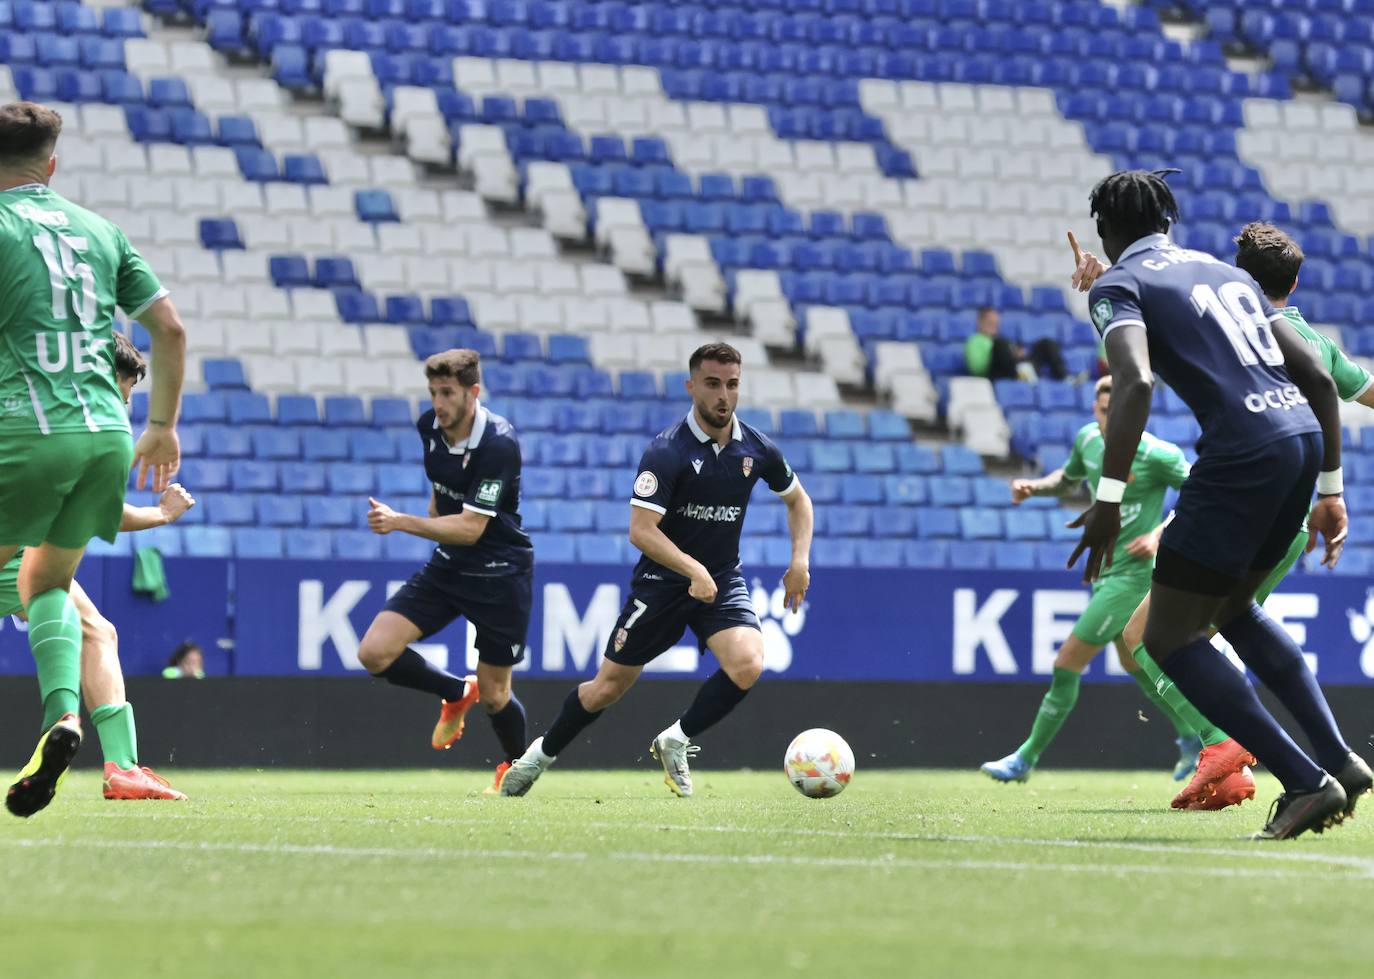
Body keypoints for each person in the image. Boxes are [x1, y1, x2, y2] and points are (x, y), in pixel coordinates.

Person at [1071, 169, 1370, 840]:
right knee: (1234, 608)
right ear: (1168, 221)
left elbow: (1136, 381)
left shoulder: (1121, 283)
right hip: (1298, 438)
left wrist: (1110, 498)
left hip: (1240, 453)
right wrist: (1329, 487)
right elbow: (1318, 375)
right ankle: (1340, 761)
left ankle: (1304, 782)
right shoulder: (1227, 274)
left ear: (1106, 232)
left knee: (1167, 638)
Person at [500, 342, 814, 798]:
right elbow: (641, 530)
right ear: (691, 387)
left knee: (748, 662)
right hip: (662, 584)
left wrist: (799, 561)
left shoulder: (757, 448)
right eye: (712, 384)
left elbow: (798, 500)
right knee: (605, 689)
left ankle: (676, 740)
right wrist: (691, 569)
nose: (723, 395)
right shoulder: (667, 451)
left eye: (731, 384)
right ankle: (537, 758)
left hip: (721, 579)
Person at [1, 103, 186, 818]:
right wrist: (162, 426)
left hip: (24, 428)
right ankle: (67, 720)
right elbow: (168, 327)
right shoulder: (101, 231)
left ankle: (83, 733)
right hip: (106, 434)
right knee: (48, 580)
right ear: (52, 165)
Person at [981, 376, 1210, 785]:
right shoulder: (1088, 440)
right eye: (1106, 409)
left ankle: (1025, 759)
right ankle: (1193, 735)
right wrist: (1035, 487)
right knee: (1133, 661)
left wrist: (1159, 534)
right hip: (1104, 573)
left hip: (1134, 577)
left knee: (1067, 661)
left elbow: (1201, 495)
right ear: (1096, 410)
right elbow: (1067, 479)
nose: (1112, 415)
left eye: (1122, 407)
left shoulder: (1157, 454)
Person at [3, 333, 192, 802]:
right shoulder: (74, 424)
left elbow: (93, 507)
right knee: (91, 629)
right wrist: (161, 514)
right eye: (120, 394)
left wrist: (159, 515)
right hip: (20, 541)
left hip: (23, 539)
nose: (122, 407)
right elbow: (96, 509)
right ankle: (105, 755)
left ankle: (116, 761)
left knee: (98, 632)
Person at [359, 349, 533, 793]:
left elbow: (473, 528)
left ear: (473, 392)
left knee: (497, 694)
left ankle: (515, 768)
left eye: (448, 393)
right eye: (434, 392)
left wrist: (400, 523)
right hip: (449, 567)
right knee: (374, 653)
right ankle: (456, 692)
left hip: (499, 573)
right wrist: (430, 524)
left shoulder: (499, 444)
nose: (439, 403)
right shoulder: (429, 427)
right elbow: (441, 495)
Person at [964, 306, 1068, 382]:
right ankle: (1024, 374)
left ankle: (1063, 378)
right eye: (991, 323)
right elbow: (977, 369)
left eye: (996, 324)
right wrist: (1003, 353)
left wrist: (1017, 354)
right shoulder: (974, 341)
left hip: (1017, 365)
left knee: (1046, 344)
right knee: (1000, 344)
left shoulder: (1002, 339)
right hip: (997, 373)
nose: (995, 327)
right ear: (980, 322)